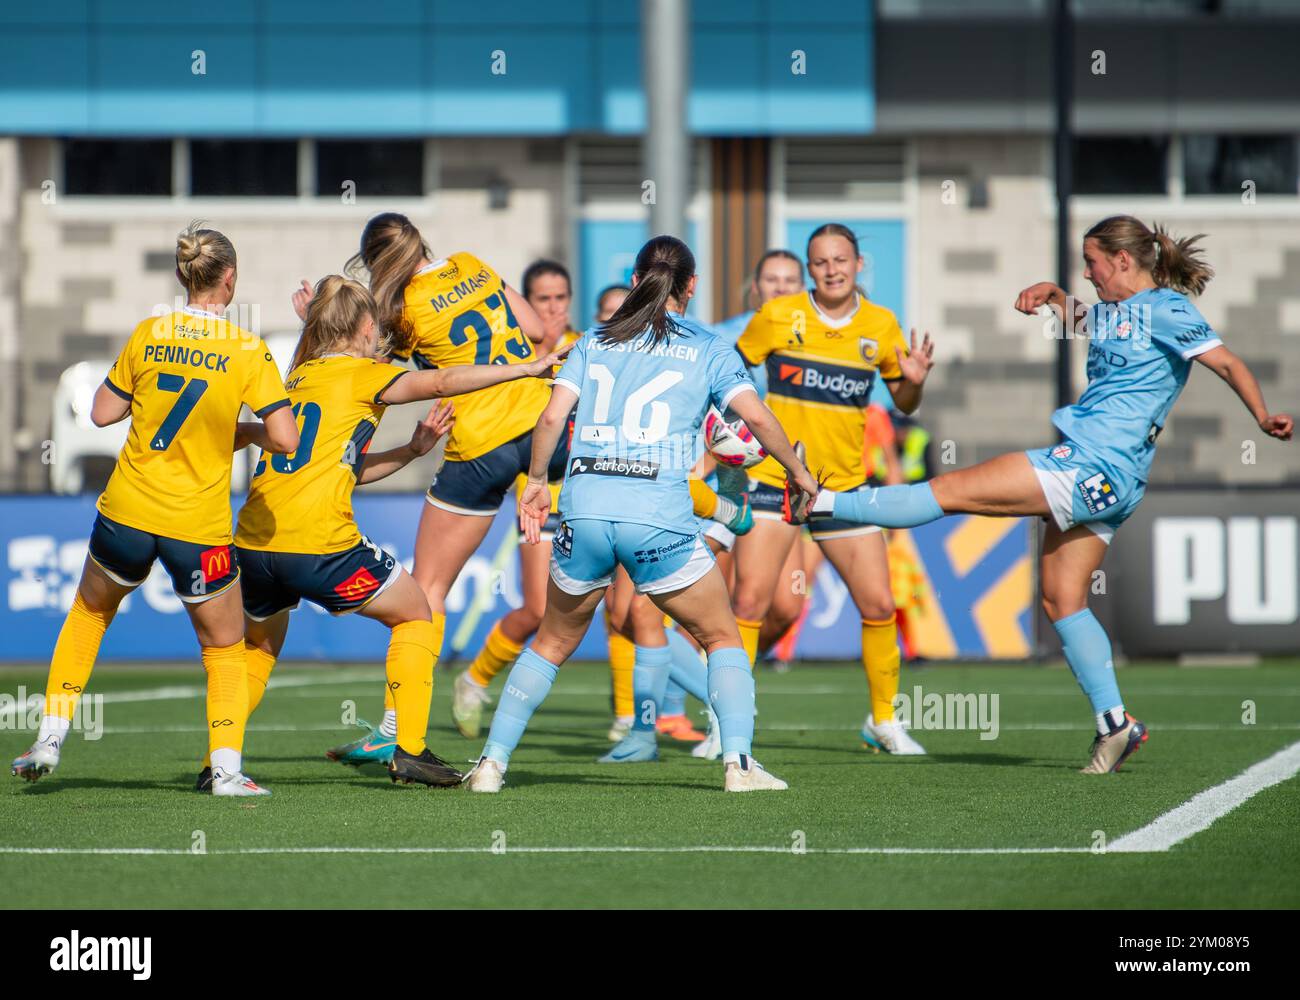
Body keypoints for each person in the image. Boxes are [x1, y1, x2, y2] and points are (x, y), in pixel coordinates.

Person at [787, 215, 1292, 773]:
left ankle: (821, 502)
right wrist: (1054, 296)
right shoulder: (1111, 313)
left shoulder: (1168, 310)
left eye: (1092, 262)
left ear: (1122, 261)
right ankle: (1114, 724)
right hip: (1113, 481)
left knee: (949, 490)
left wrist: (1263, 415)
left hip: (1089, 465)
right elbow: (1086, 318)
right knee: (1061, 599)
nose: (1088, 272)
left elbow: (1225, 361)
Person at [463, 235, 818, 793]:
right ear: (692, 286)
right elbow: (760, 419)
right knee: (723, 636)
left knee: (552, 643)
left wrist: (535, 482)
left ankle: (491, 764)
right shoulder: (710, 347)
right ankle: (739, 767)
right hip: (657, 513)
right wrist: (797, 473)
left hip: (583, 510)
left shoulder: (593, 341)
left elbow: (552, 419)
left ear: (634, 280)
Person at [210, 276, 573, 791]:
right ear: (363, 327)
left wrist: (409, 452)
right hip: (319, 543)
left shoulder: (299, 376)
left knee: (257, 654)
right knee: (417, 612)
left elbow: (346, 468)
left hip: (256, 543)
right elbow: (442, 382)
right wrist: (528, 367)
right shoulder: (364, 376)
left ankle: (219, 762)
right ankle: (410, 749)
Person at [11, 223, 300, 796]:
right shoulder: (247, 349)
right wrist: (232, 431)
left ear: (182, 276)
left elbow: (99, 414)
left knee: (89, 616)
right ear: (230, 278)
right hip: (197, 526)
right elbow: (287, 438)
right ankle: (225, 773)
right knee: (222, 648)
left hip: (127, 510)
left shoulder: (149, 332)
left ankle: (48, 737)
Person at [731, 223, 936, 755]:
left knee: (878, 603)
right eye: (821, 262)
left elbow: (905, 402)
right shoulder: (778, 316)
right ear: (810, 268)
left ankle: (884, 721)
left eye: (841, 260)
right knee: (749, 602)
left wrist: (914, 380)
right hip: (775, 481)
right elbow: (729, 368)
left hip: (841, 489)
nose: (832, 270)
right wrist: (726, 434)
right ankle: (729, 723)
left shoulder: (881, 324)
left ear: (858, 264)